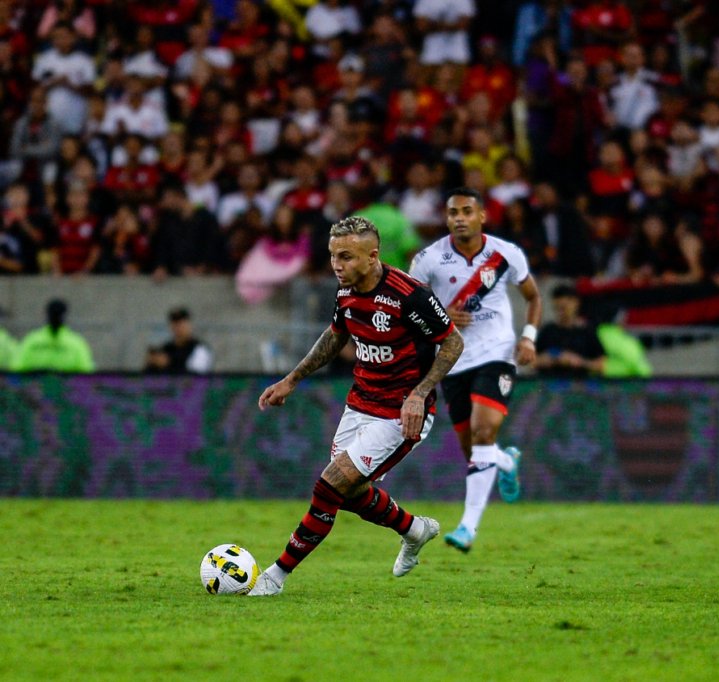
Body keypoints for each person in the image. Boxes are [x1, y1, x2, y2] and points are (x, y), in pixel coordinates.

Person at [249, 216, 464, 595]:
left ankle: (275, 576)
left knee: (329, 486)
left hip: (402, 411)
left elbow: (453, 343)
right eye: (333, 255)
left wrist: (419, 394)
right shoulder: (346, 291)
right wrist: (292, 378)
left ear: (373, 256)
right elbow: (335, 336)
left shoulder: (409, 295)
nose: (337, 264)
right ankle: (415, 529)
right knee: (346, 493)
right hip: (360, 402)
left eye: (346, 256)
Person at [409, 187, 542, 553]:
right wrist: (440, 316)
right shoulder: (428, 259)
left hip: (497, 353)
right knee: (475, 452)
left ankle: (467, 528)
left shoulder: (506, 254)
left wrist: (528, 338)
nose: (460, 218)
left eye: (467, 211)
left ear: (482, 216)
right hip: (452, 360)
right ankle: (505, 460)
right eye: (453, 213)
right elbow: (410, 311)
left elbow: (533, 297)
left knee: (484, 431)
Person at [534, 284, 606, 377]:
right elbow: (531, 362)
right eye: (557, 308)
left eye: (564, 307)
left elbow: (601, 365)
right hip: (549, 385)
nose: (560, 312)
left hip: (579, 385)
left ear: (575, 303)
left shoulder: (587, 331)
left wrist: (579, 362)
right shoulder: (548, 331)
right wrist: (546, 360)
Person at [12, 299, 95, 373]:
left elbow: (86, 373)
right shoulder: (32, 340)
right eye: (54, 315)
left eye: (58, 315)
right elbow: (17, 368)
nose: (56, 318)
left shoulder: (76, 343)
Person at [144, 308, 214, 374]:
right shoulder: (166, 348)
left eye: (182, 324)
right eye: (175, 324)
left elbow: (196, 376)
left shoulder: (199, 348)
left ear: (189, 325)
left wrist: (168, 364)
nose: (178, 328)